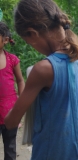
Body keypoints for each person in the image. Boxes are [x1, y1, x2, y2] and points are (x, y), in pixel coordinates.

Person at [4, 0, 78, 159]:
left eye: (28, 42)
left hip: (53, 152)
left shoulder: (44, 69)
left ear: (32, 33)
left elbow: (11, 122)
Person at [0, 21, 25, 160]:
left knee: (10, 148)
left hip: (9, 112)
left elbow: (20, 81)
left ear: (5, 40)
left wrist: (21, 105)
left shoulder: (12, 60)